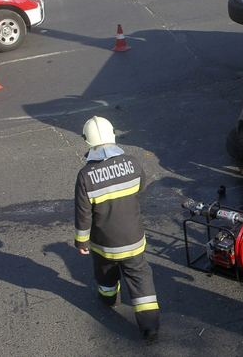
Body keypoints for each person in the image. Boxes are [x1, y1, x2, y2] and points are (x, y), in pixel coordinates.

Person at [74, 116, 160, 344]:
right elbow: (141, 186)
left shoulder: (85, 176)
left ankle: (109, 299)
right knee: (141, 278)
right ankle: (150, 327)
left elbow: (83, 214)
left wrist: (81, 241)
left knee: (106, 273)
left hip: (104, 244)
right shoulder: (132, 162)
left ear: (87, 141)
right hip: (133, 239)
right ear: (112, 134)